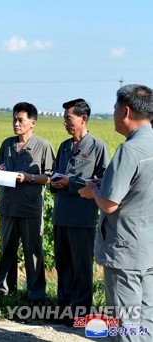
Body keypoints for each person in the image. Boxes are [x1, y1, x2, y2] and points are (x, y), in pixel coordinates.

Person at [79, 84, 153, 340]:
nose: (112, 112)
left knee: (126, 322)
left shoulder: (129, 151)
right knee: (146, 319)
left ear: (126, 111)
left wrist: (93, 191)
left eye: (114, 107)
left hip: (125, 250)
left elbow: (109, 203)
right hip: (149, 248)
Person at [50, 99, 109, 322]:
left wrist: (70, 182)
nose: (65, 123)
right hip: (61, 215)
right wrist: (54, 182)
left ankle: (81, 313)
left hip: (82, 218)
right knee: (63, 264)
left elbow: (103, 181)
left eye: (68, 118)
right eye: (64, 119)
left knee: (81, 267)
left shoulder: (98, 147)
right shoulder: (65, 146)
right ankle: (62, 310)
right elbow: (56, 173)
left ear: (83, 119)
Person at [0, 102, 55, 303]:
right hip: (8, 206)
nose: (16, 123)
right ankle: (4, 289)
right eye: (14, 119)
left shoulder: (43, 146)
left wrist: (28, 178)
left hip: (30, 208)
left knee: (33, 252)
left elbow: (50, 177)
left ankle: (35, 294)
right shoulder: (7, 144)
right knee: (6, 250)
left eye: (21, 120)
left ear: (33, 123)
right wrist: (1, 171)